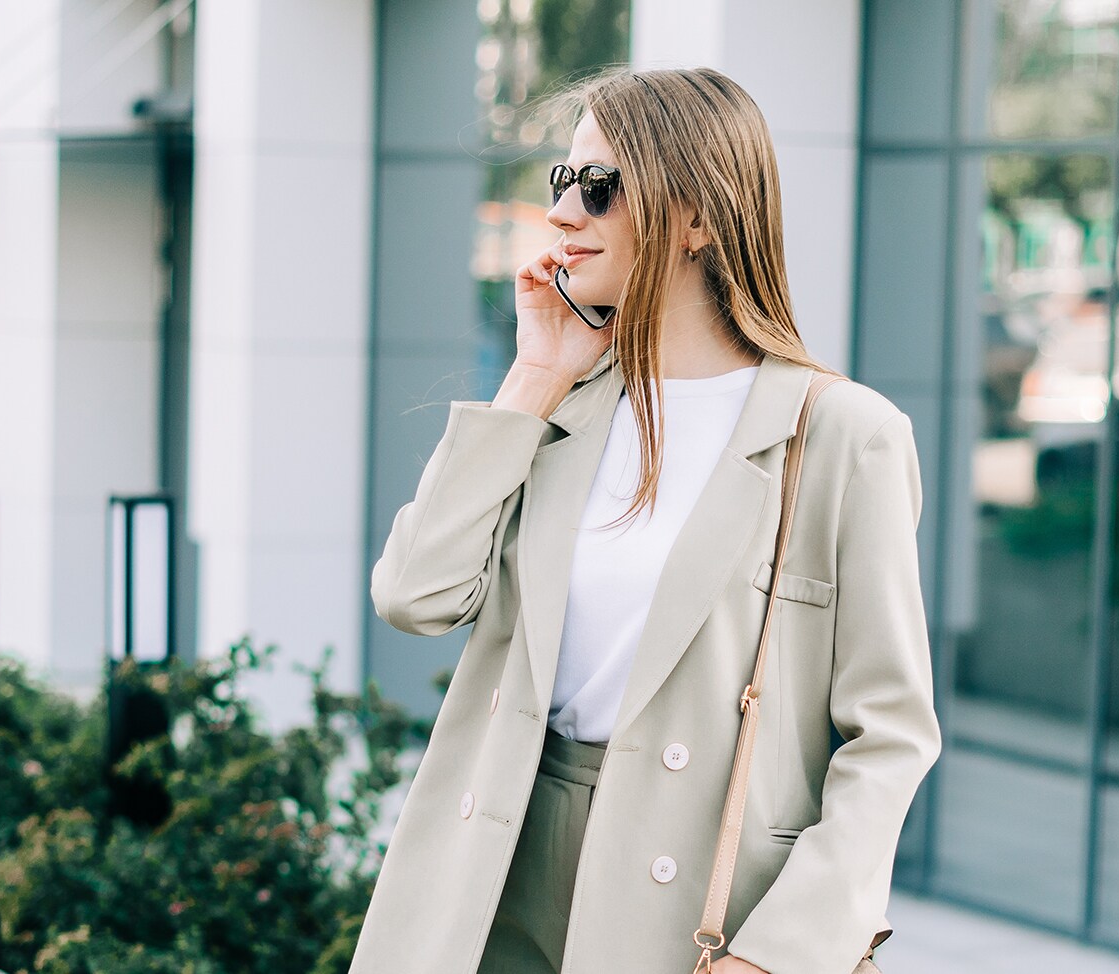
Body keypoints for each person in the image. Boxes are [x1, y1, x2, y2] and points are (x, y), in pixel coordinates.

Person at [350, 65, 941, 974]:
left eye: (600, 186)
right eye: (562, 182)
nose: (561, 213)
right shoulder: (568, 405)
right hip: (497, 857)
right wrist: (535, 375)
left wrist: (780, 951)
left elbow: (890, 735)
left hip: (694, 886)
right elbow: (415, 594)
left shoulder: (841, 436)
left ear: (699, 217)